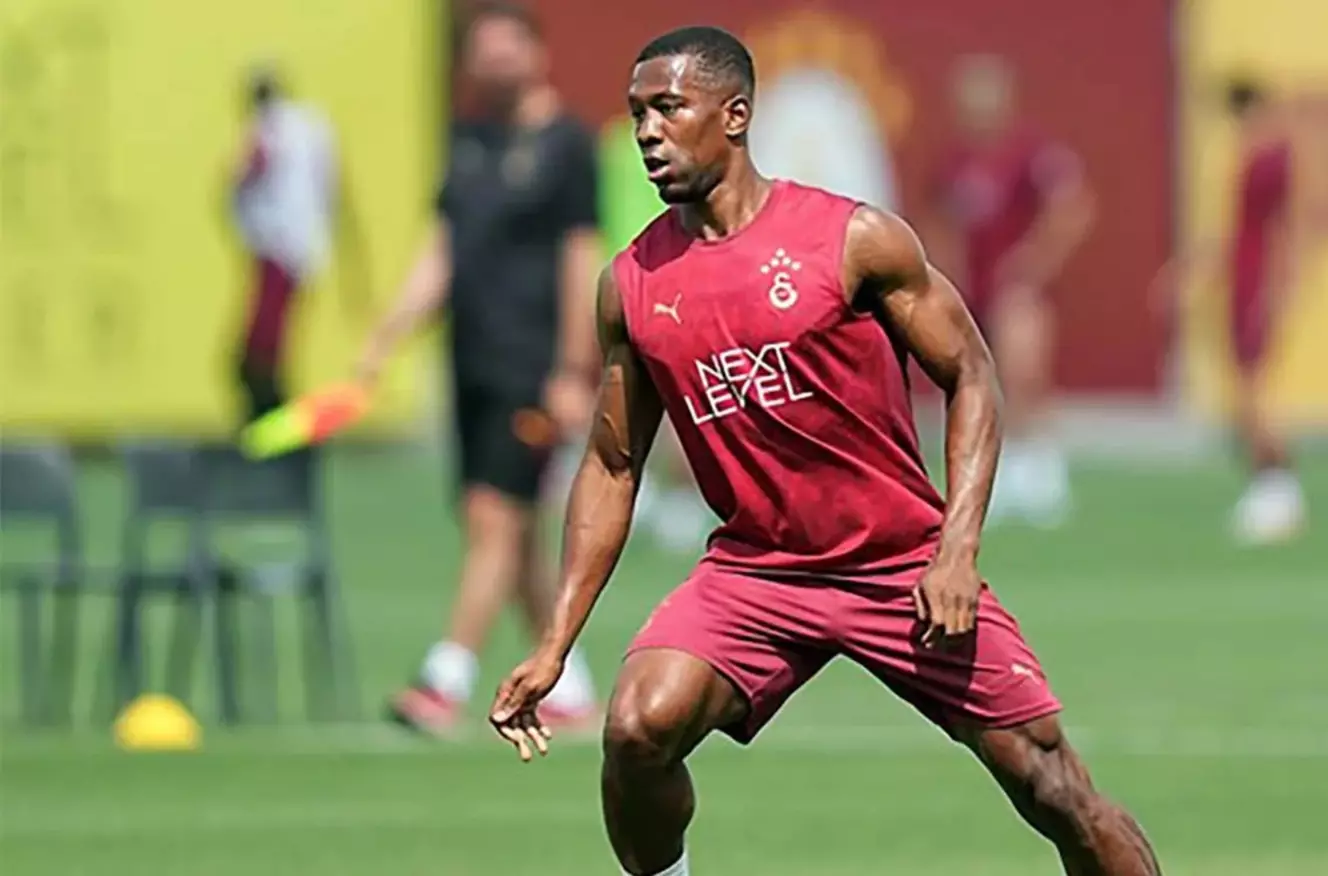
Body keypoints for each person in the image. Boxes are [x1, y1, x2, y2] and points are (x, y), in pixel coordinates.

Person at [488, 26, 1160, 876]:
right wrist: (556, 643)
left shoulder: (853, 239)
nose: (648, 132)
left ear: (735, 116)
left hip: (898, 564)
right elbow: (613, 464)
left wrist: (956, 553)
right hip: (757, 574)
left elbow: (972, 376)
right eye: (637, 115)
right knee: (635, 729)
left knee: (1054, 788)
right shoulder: (631, 284)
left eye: (669, 108)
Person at [357, 2, 599, 735]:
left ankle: (445, 679)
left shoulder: (566, 146)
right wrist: (387, 336)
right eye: (483, 51)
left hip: (532, 367)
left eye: (508, 48)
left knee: (496, 519)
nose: (496, 62)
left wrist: (573, 368)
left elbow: (580, 257)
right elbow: (443, 252)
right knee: (508, 528)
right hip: (472, 365)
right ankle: (569, 687)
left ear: (536, 53)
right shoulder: (467, 143)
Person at [918, 55, 1095, 527]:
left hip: (1015, 290)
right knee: (977, 381)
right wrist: (943, 270)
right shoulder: (956, 160)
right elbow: (938, 216)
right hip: (973, 291)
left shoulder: (1031, 153)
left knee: (1024, 373)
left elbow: (1072, 208)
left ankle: (1042, 470)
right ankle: (997, 474)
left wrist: (1033, 262)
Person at [1156, 78, 1304, 544]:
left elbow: (1284, 227)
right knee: (1244, 389)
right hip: (1243, 277)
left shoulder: (1270, 161)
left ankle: (1279, 488)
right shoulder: (1246, 160)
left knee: (1253, 390)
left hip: (1257, 279)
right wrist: (1192, 273)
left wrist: (1279, 285)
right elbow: (1229, 232)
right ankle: (1268, 487)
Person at [231, 66, 367, 423]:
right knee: (268, 347)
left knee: (259, 352)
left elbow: (243, 174)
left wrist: (241, 209)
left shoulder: (270, 130)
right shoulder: (313, 127)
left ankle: (273, 425)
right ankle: (276, 421)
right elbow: (333, 189)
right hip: (304, 247)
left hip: (279, 246)